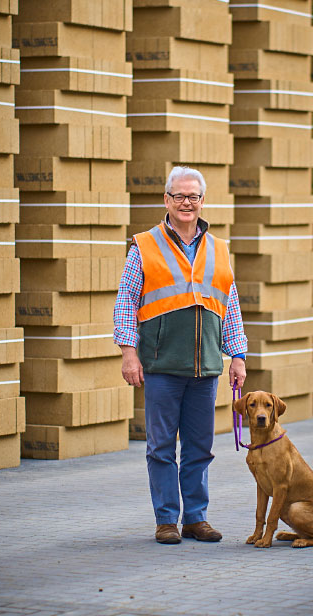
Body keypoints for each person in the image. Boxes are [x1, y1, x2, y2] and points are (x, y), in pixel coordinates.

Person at [113, 166, 248, 544]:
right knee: (159, 448)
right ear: (166, 200)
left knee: (199, 448)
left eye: (193, 196)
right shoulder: (144, 245)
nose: (186, 202)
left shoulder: (219, 249)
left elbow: (230, 306)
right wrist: (129, 353)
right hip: (160, 366)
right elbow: (126, 303)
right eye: (178, 196)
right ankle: (167, 520)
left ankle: (196, 518)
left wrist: (237, 356)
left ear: (202, 201)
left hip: (205, 368)